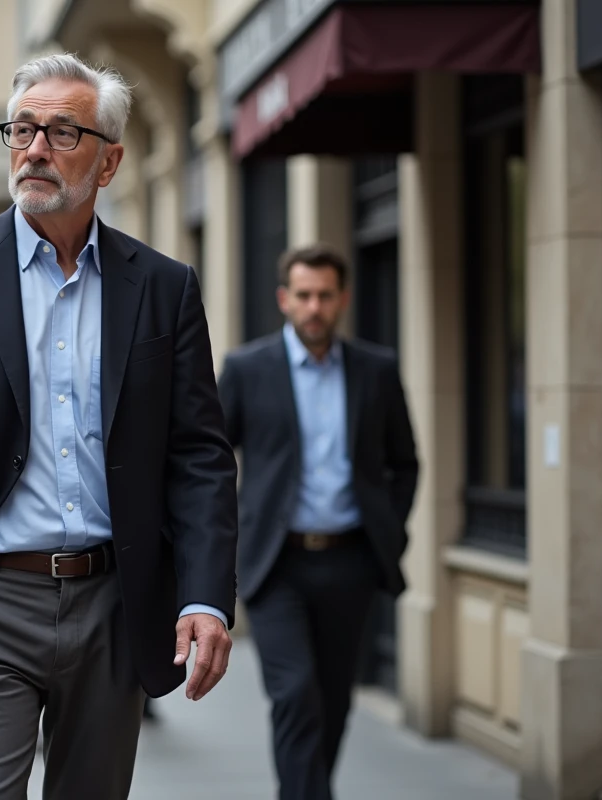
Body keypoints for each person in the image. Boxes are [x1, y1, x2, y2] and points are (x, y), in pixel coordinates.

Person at [0, 53, 238, 799]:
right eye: (24, 129)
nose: (35, 148)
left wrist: (203, 597)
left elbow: (198, 454)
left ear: (109, 161)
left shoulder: (163, 287)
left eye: (64, 132)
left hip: (114, 602)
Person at [217, 245, 419, 800]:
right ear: (284, 299)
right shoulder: (246, 369)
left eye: (325, 296)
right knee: (296, 694)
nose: (314, 307)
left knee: (332, 702)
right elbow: (205, 460)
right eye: (303, 295)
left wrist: (390, 531)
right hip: (276, 565)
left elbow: (405, 462)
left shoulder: (376, 370)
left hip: (350, 560)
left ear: (343, 300)